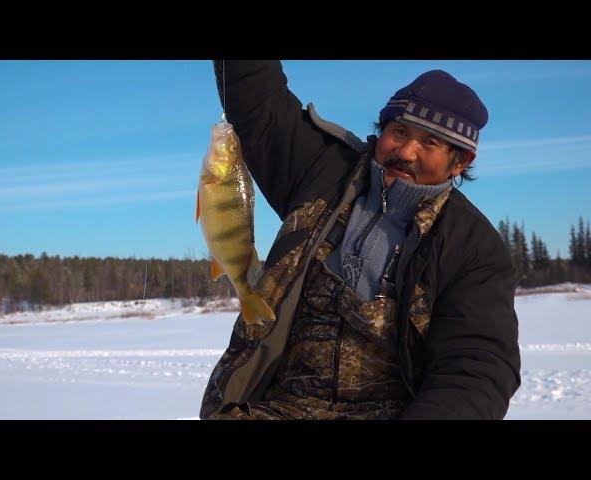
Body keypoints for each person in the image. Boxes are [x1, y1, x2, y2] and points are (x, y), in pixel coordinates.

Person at [199, 60, 521, 420]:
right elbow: (257, 98)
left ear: (460, 162)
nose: (406, 152)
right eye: (399, 131)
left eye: (429, 142)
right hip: (273, 408)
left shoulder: (473, 247)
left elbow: (476, 366)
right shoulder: (321, 172)